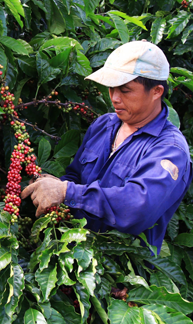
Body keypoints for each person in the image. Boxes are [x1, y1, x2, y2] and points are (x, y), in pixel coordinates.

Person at [21, 40, 192, 254]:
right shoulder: (104, 125)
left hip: (120, 272)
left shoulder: (170, 150)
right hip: (73, 255)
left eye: (125, 90)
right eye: (111, 88)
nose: (114, 98)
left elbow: (137, 208)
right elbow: (75, 176)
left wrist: (67, 191)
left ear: (156, 91)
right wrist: (55, 187)